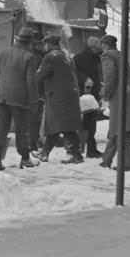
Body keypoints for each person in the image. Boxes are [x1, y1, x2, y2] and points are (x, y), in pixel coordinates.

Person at [0, 28, 41, 170]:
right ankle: (25, 158)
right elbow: (31, 81)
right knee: (22, 130)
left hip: (1, 97)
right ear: (29, 42)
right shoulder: (29, 57)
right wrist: (34, 100)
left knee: (0, 129)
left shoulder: (4, 53)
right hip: (19, 99)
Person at [33, 33, 84, 164]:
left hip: (57, 96)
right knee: (57, 124)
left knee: (61, 125)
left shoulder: (50, 57)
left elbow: (40, 75)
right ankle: (45, 153)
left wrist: (30, 84)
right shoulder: (67, 57)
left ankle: (76, 155)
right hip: (69, 95)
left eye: (45, 44)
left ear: (49, 45)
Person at [99, 35, 130, 171]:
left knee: (121, 129)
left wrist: (105, 93)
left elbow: (109, 76)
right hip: (129, 93)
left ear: (104, 45)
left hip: (120, 96)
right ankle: (106, 160)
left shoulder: (107, 56)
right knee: (117, 128)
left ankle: (128, 164)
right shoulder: (120, 55)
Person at [73, 36, 103, 157]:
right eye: (96, 48)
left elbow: (98, 75)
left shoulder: (96, 58)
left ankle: (90, 148)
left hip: (93, 94)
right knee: (84, 123)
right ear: (91, 47)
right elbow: (74, 73)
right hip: (82, 95)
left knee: (91, 123)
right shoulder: (79, 58)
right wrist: (85, 78)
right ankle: (81, 148)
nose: (98, 51)